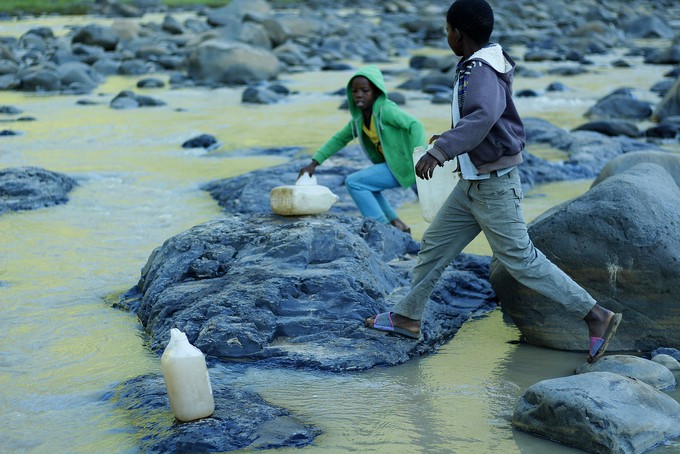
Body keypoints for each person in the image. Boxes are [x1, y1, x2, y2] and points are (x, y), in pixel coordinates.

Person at [365, 0, 621, 363]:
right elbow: (481, 120)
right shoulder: (483, 61)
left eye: (447, 31)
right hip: (472, 183)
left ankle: (596, 315)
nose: (447, 37)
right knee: (435, 246)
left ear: (458, 33)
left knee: (520, 259)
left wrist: (441, 152)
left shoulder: (481, 70)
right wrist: (453, 139)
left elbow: (484, 115)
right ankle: (407, 316)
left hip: (493, 186)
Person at [298, 65, 426, 234]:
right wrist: (314, 163)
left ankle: (380, 229)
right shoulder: (359, 119)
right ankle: (397, 224)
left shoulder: (386, 110)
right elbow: (339, 139)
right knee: (369, 186)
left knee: (354, 182)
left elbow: (415, 125)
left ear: (376, 92)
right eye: (355, 91)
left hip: (405, 166)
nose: (359, 94)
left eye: (365, 90)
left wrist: (420, 157)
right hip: (391, 165)